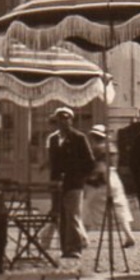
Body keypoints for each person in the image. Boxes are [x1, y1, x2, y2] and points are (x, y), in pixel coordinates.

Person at [45, 106, 96, 261]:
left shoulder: (79, 138)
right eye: (60, 118)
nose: (63, 121)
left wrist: (78, 176)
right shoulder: (53, 139)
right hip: (57, 184)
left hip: (74, 183)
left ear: (71, 120)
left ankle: (75, 248)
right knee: (61, 216)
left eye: (66, 118)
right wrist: (54, 180)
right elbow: (53, 162)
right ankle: (65, 248)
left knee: (72, 215)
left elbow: (89, 162)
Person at [85, 124, 137, 249]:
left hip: (99, 179)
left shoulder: (96, 149)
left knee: (86, 206)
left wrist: (89, 178)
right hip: (113, 177)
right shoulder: (113, 148)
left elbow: (98, 167)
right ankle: (129, 235)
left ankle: (83, 237)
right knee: (119, 205)